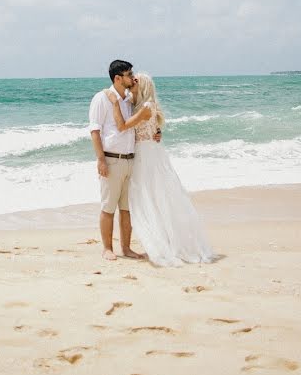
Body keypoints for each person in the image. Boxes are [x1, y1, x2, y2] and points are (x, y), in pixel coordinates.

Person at [105, 72, 215, 267]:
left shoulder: (146, 107)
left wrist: (114, 102)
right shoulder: (134, 103)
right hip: (140, 154)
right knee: (147, 200)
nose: (132, 81)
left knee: (150, 199)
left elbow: (124, 126)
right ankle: (153, 242)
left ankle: (162, 243)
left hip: (146, 156)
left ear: (144, 86)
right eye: (132, 78)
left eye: (136, 80)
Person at [88, 60, 146, 261]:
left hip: (130, 160)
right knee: (108, 207)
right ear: (117, 78)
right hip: (111, 160)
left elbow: (136, 126)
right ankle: (107, 248)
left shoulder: (129, 100)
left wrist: (154, 135)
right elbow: (95, 132)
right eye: (129, 74)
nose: (133, 77)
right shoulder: (101, 98)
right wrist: (101, 160)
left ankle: (126, 248)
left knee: (126, 208)